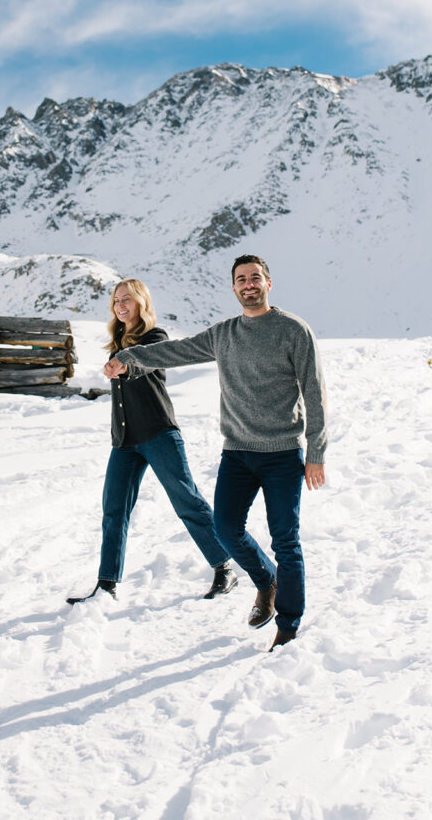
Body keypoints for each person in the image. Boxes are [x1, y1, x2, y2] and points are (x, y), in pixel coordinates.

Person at [104, 255, 327, 651]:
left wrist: (316, 452)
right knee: (226, 530)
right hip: (237, 454)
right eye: (241, 279)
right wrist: (128, 358)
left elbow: (314, 391)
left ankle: (288, 626)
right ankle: (266, 581)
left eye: (255, 277)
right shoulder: (225, 334)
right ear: (234, 288)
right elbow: (175, 351)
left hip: (281, 453)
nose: (248, 284)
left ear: (268, 283)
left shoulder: (294, 330)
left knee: (286, 541)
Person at [67, 278, 237, 604]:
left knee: (187, 502)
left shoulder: (154, 339)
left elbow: (145, 361)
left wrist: (126, 363)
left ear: (141, 302)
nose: (120, 305)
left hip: (159, 434)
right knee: (114, 511)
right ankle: (107, 584)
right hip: (126, 442)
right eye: (116, 300)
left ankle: (224, 567)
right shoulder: (117, 344)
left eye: (127, 299)